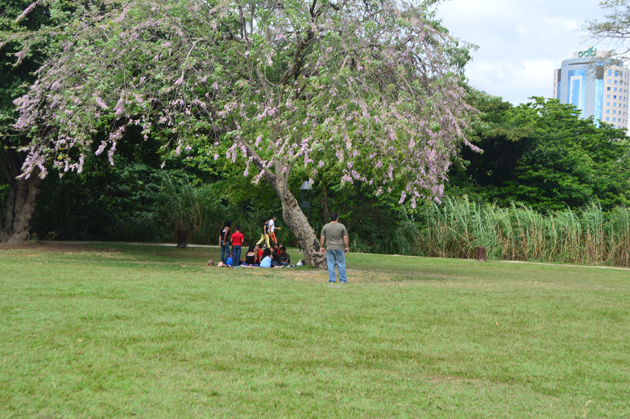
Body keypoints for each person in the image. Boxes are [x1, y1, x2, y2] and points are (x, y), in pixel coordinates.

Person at [320, 211, 349, 283]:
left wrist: (322, 247)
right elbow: (345, 238)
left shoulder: (325, 226)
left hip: (329, 248)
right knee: (341, 264)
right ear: (337, 218)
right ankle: (342, 280)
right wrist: (347, 247)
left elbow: (322, 238)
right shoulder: (342, 226)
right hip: (339, 248)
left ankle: (332, 280)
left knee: (330, 264)